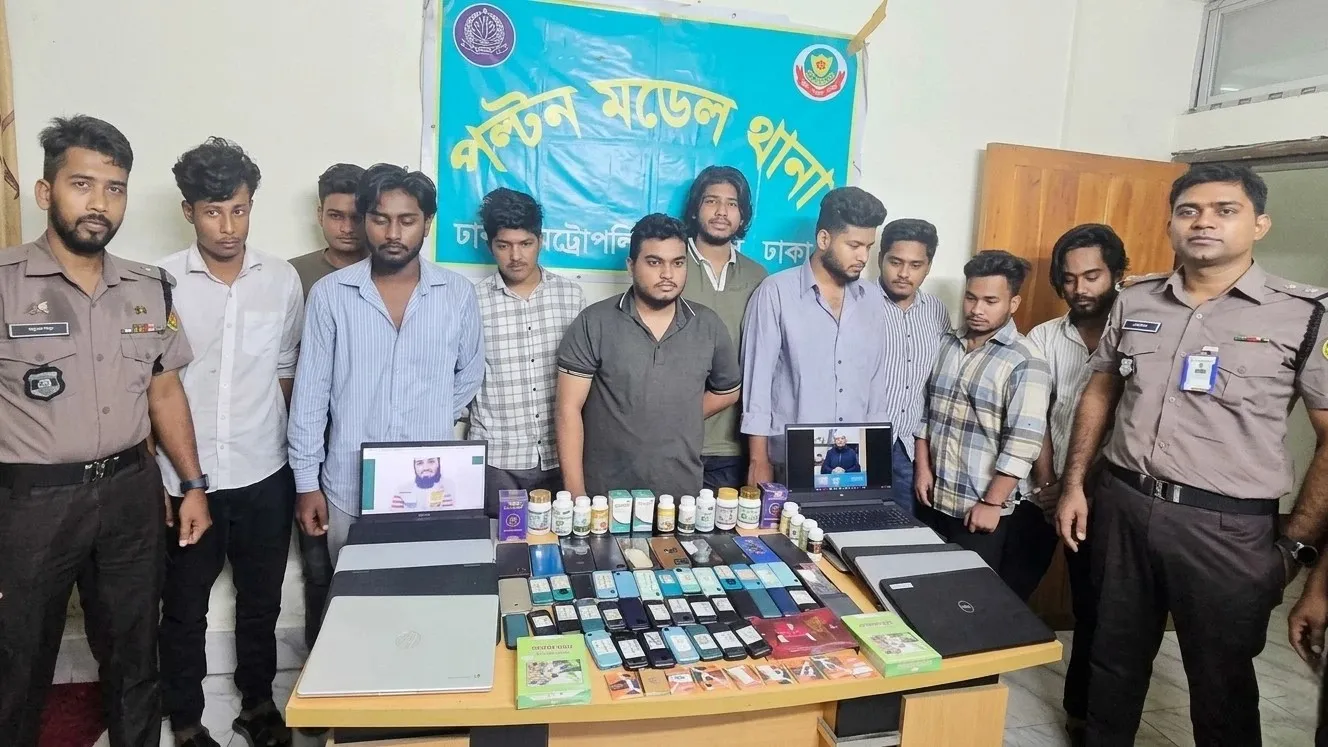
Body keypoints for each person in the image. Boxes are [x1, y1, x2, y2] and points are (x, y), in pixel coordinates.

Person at [1055, 163, 1328, 747]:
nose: (1204, 222)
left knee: (1221, 684)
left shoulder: (1304, 314)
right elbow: (1101, 389)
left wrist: (1298, 544)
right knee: (1111, 662)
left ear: (1259, 224)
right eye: (1189, 211)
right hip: (1125, 506)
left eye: (1225, 210)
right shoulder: (1136, 300)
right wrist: (1076, 484)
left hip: (1226, 527)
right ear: (1171, 225)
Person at [0, 115, 212, 747]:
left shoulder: (148, 288)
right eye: (82, 184)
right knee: (18, 660)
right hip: (32, 502)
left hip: (129, 494)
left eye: (114, 188)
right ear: (46, 192)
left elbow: (163, 389)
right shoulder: (5, 285)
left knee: (134, 653)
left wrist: (193, 484)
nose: (99, 203)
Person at [156, 138, 303, 747]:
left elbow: (285, 369)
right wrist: (163, 475)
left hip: (264, 470)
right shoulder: (160, 281)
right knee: (184, 607)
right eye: (213, 212)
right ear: (189, 211)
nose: (228, 227)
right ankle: (187, 719)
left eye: (239, 210)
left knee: (260, 601)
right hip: (185, 477)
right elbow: (151, 384)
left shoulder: (281, 279)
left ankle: (257, 704)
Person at [289, 164, 483, 562]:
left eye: (407, 221)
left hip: (428, 486)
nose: (393, 234)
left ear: (427, 223)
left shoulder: (457, 294)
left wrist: (430, 412)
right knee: (351, 591)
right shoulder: (330, 294)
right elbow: (310, 395)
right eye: (380, 220)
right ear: (365, 221)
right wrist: (306, 483)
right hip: (348, 486)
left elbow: (470, 373)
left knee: (423, 588)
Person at [1023, 224, 1129, 744]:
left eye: (1092, 276)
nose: (1080, 288)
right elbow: (1035, 416)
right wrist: (1051, 485)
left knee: (1100, 610)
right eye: (1069, 278)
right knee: (1009, 585)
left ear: (1117, 275)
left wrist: (1079, 486)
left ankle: (1087, 714)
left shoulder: (1140, 334)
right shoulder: (1044, 337)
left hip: (1112, 495)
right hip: (1047, 490)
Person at [555, 213, 742, 498]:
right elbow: (568, 410)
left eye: (677, 263)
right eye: (654, 262)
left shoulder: (708, 325)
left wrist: (676, 415)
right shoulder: (594, 322)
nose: (668, 274)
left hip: (680, 496)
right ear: (631, 266)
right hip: (604, 497)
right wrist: (577, 498)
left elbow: (728, 391)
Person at [741, 187, 890, 484]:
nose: (863, 257)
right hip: (790, 461)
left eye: (869, 247)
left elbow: (875, 385)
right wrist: (758, 461)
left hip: (853, 463)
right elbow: (757, 384)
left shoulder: (872, 299)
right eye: (854, 245)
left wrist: (875, 462)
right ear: (824, 239)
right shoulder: (776, 292)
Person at [914, 250, 1050, 575]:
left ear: (1013, 303)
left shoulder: (1026, 360)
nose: (977, 310)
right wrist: (922, 469)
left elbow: (1023, 442)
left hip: (979, 509)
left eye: (990, 301)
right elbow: (926, 412)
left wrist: (992, 502)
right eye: (971, 298)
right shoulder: (947, 344)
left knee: (968, 598)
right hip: (934, 499)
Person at [470, 188, 583, 515]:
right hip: (498, 460)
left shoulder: (570, 296)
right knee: (502, 543)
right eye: (504, 245)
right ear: (490, 245)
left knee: (561, 543)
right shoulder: (472, 301)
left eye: (525, 244)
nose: (515, 256)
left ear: (540, 241)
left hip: (560, 455)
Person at [679, 166, 767, 490]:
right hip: (672, 439)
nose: (721, 212)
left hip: (733, 446)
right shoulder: (671, 267)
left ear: (742, 216)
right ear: (695, 208)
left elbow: (763, 362)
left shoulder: (759, 277)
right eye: (711, 201)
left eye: (732, 204)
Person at [876, 218, 952, 513]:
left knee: (903, 532)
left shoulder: (936, 311)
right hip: (861, 445)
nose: (904, 274)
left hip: (909, 449)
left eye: (915, 265)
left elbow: (936, 385)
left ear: (928, 266)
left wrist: (923, 461)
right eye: (895, 262)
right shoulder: (857, 303)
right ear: (881, 259)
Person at [289, 163, 367, 298]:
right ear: (320, 216)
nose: (347, 228)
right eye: (336, 216)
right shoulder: (292, 273)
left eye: (357, 217)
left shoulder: (389, 272)